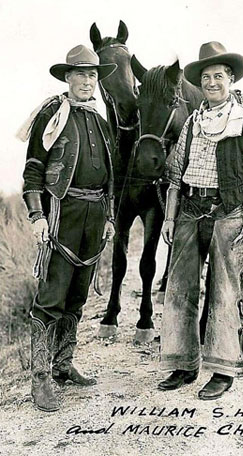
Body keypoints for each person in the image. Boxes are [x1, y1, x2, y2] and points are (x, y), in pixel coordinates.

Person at [158, 42, 243, 400]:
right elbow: (175, 175)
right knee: (180, 289)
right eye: (206, 77)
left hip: (229, 214)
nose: (212, 82)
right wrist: (169, 216)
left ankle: (223, 370)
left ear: (230, 79)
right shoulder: (194, 122)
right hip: (190, 212)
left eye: (219, 76)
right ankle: (183, 363)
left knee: (225, 292)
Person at [19, 45, 117, 412]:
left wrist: (109, 218)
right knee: (50, 299)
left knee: (76, 297)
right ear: (67, 77)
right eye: (81, 74)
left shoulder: (100, 121)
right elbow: (33, 169)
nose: (87, 81)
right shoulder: (51, 115)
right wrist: (36, 215)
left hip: (94, 216)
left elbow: (110, 176)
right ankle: (40, 380)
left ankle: (62, 365)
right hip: (62, 214)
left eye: (93, 75)